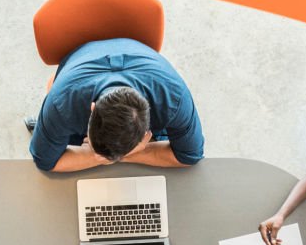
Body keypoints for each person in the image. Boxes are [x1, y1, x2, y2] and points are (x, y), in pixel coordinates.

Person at [27, 38, 204, 172]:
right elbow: (45, 161)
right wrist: (124, 154)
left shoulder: (174, 99)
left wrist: (103, 156)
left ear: (146, 133)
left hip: (146, 67)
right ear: (92, 108)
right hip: (78, 72)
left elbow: (190, 156)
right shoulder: (62, 103)